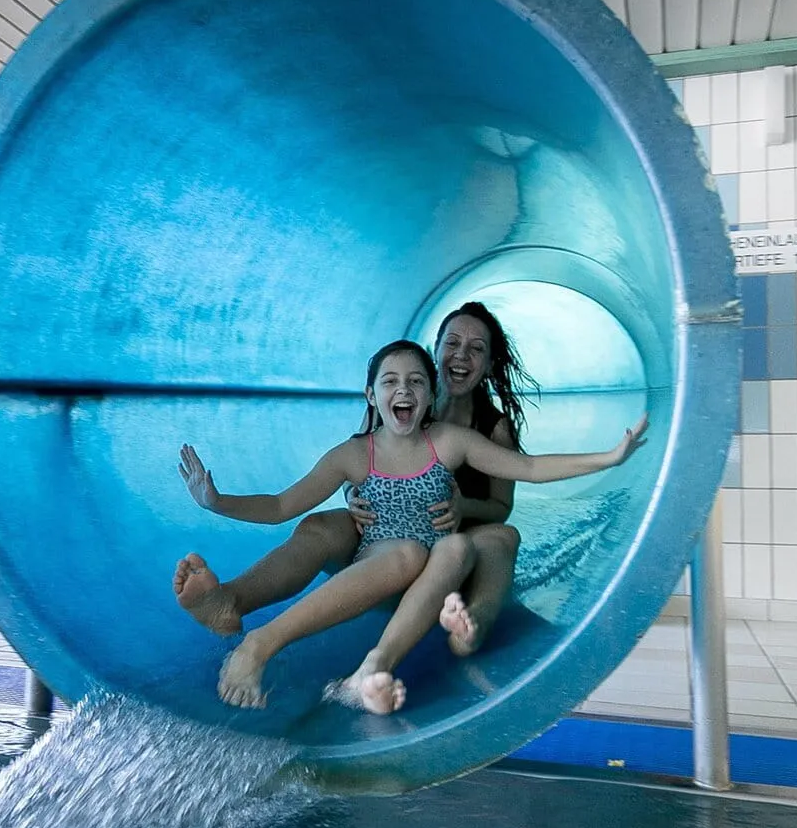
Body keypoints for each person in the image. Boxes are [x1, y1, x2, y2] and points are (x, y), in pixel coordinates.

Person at [178, 339, 644, 714]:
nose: (404, 389)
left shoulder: (450, 442)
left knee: (452, 550)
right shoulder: (355, 453)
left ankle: (352, 665)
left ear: (429, 396)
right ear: (371, 395)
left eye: (416, 381)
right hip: (373, 572)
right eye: (391, 381)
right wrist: (216, 502)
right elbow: (283, 504)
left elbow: (531, 467)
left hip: (429, 585)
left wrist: (608, 457)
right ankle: (245, 622)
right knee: (357, 536)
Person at [172, 302, 534, 656]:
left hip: (451, 551)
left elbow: (501, 507)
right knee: (318, 526)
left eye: (476, 349)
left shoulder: (494, 428)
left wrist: (460, 507)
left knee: (502, 537)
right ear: (435, 350)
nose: (461, 355)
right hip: (382, 545)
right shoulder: (400, 401)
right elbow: (354, 461)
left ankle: (472, 626)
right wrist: (352, 494)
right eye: (452, 343)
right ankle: (228, 602)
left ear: (488, 365)